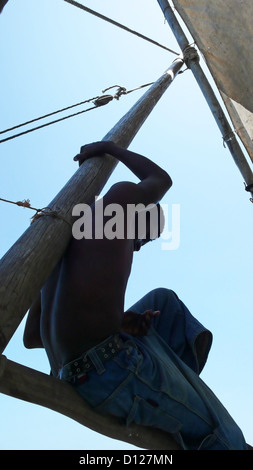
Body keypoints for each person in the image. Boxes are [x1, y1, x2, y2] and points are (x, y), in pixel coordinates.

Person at [23, 141, 248, 450]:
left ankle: (178, 383)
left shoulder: (57, 244)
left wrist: (117, 323)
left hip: (70, 370)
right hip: (109, 371)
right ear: (139, 213)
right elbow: (161, 179)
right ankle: (184, 396)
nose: (139, 245)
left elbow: (33, 337)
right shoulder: (122, 199)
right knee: (226, 435)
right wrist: (111, 147)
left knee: (163, 300)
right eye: (145, 236)